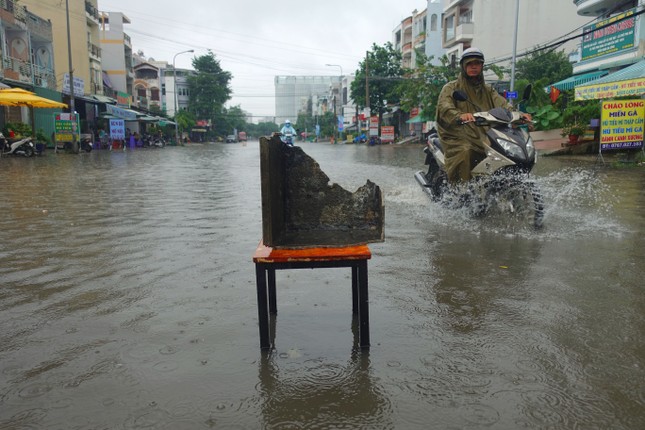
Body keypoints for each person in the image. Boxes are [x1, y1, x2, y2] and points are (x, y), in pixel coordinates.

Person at [435, 47, 531, 183]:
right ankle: (460, 190)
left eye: (477, 63)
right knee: (465, 151)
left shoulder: (488, 90)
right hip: (457, 136)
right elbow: (445, 107)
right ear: (463, 66)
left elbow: (503, 104)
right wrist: (460, 115)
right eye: (470, 64)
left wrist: (519, 114)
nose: (474, 66)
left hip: (485, 134)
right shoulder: (451, 88)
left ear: (482, 66)